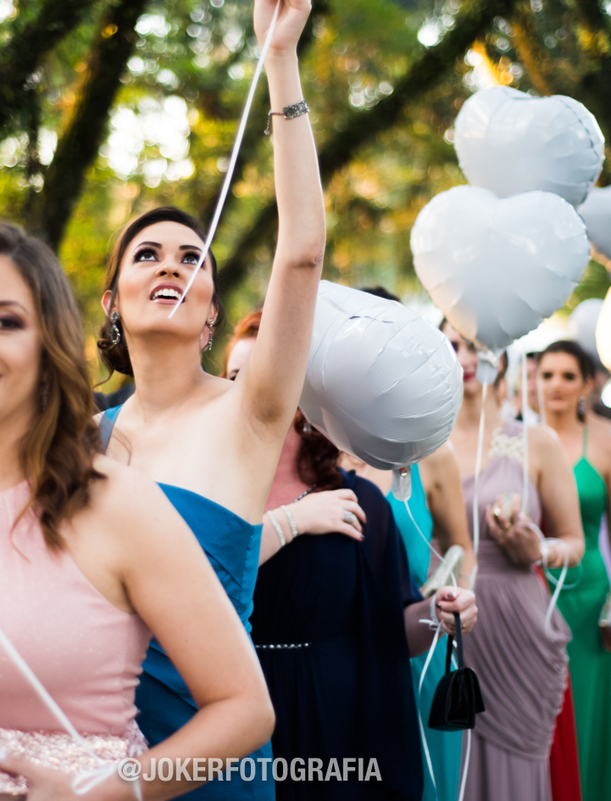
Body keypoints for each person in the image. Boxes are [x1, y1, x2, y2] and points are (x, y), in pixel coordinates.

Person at [0, 221, 274, 800]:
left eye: (5, 321)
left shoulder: (118, 501)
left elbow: (245, 709)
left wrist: (109, 790)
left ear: (46, 344)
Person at [96, 3, 323, 797]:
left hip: (214, 762)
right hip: (95, 766)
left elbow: (301, 253)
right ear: (112, 302)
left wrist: (280, 59)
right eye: (148, 254)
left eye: (192, 258)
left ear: (212, 314)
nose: (172, 265)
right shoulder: (80, 438)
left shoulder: (247, 413)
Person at [225, 314, 476, 800]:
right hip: (229, 709)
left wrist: (437, 613)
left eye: (262, 373)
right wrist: (292, 521)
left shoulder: (361, 501)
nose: (246, 389)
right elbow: (194, 581)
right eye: (234, 376)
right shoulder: (208, 492)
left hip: (332, 721)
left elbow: (394, 627)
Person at [442, 323, 585, 801]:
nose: (463, 356)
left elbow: (574, 542)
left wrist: (538, 550)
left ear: (500, 356)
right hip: (448, 616)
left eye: (473, 345)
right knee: (452, 757)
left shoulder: (535, 442)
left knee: (517, 767)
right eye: (451, 345)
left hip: (516, 615)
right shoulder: (419, 444)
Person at [351, 286, 479, 801]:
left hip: (420, 653)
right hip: (341, 659)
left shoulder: (432, 452)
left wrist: (456, 600)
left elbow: (462, 549)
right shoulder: (313, 448)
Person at [537, 341, 611, 801]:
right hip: (533, 592)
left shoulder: (609, 446)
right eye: (547, 375)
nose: (555, 385)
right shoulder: (516, 440)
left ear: (587, 385)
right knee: (540, 712)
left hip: (590, 592)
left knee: (590, 707)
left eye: (567, 376)